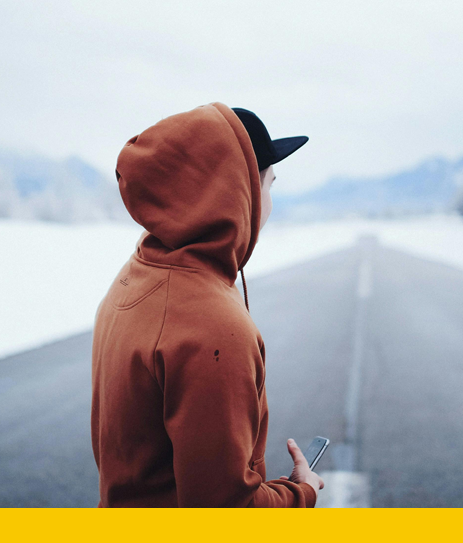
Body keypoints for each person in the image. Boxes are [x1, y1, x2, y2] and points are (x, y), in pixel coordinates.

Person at [90, 102, 323, 507]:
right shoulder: (214, 326)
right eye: (268, 185)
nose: (269, 199)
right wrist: (300, 492)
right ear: (240, 192)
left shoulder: (134, 277)